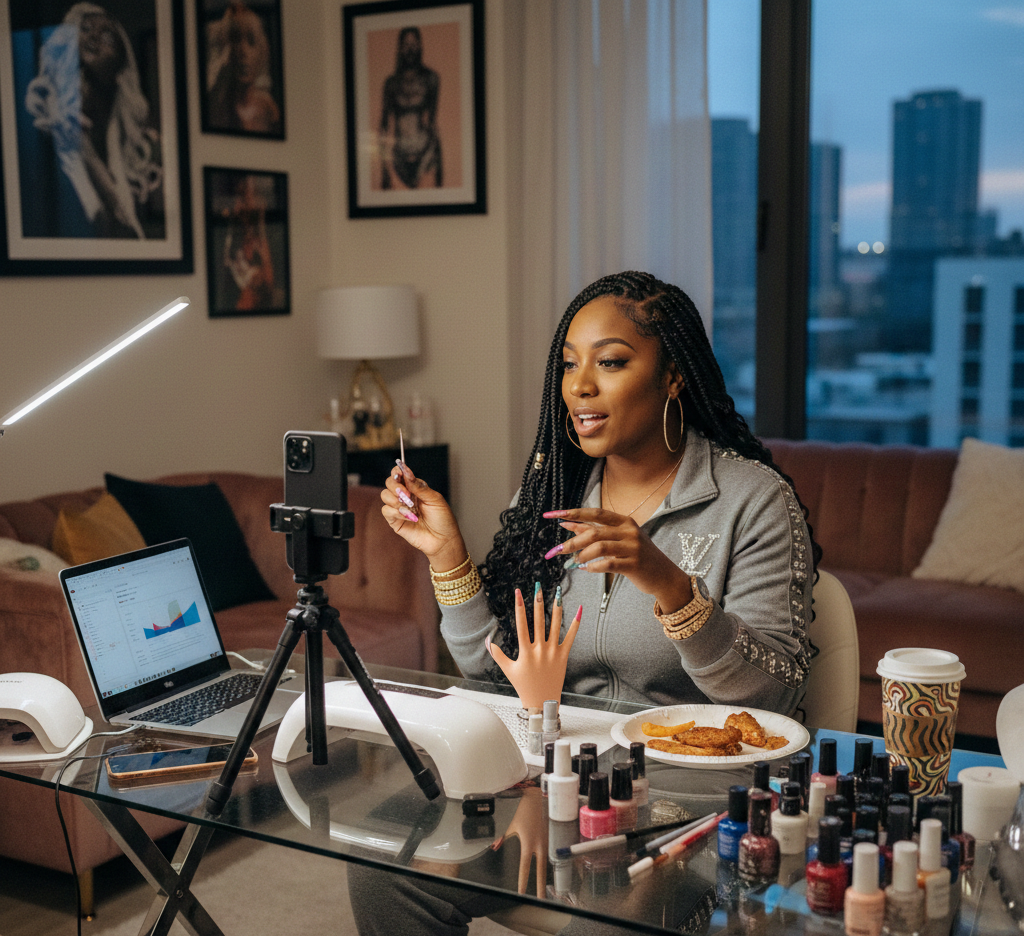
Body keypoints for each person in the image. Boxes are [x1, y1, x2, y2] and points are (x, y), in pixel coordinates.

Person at [356, 270, 823, 935]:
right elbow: (493, 675)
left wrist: (669, 585)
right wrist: (447, 557)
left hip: (692, 804)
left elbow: (773, 694)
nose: (579, 386)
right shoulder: (552, 495)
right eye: (569, 364)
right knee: (384, 864)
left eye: (611, 362)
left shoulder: (754, 501)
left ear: (673, 377)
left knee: (610, 919)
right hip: (550, 782)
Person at [23, 2, 162, 238]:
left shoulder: (137, 156)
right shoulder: (40, 133)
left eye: (107, 36)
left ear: (121, 65)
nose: (94, 37)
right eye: (85, 29)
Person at [377, 26, 442, 189]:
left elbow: (433, 122)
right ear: (399, 48)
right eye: (406, 45)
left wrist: (438, 163)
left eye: (414, 44)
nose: (410, 49)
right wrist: (384, 169)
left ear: (420, 46)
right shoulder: (391, 83)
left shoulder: (431, 79)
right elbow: (383, 127)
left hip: (425, 154)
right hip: (398, 157)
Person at [205, 1, 281, 135]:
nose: (243, 52)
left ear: (262, 50)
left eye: (251, 41)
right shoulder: (216, 107)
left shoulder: (270, 110)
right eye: (235, 40)